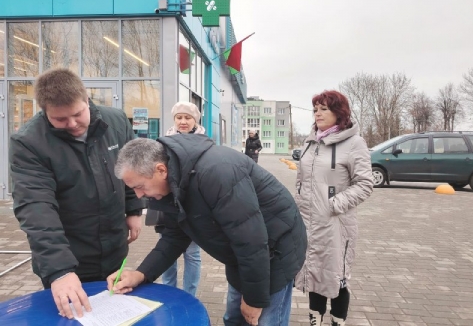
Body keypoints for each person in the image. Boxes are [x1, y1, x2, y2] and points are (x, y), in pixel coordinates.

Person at [107, 135, 308, 326]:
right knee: (235, 318)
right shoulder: (169, 185)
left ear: (161, 170)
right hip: (244, 254)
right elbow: (174, 237)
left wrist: (255, 299)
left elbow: (251, 242)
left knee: (261, 319)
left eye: (140, 186)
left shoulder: (217, 172)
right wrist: (141, 274)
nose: (139, 195)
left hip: (276, 251)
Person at [9, 68, 146, 320]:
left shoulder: (115, 122)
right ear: (44, 111)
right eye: (60, 120)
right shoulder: (28, 143)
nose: (72, 124)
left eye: (77, 114)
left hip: (114, 248)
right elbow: (36, 207)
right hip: (69, 254)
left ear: (87, 100)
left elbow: (131, 169)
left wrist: (134, 208)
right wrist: (60, 270)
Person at [294, 90, 373, 326]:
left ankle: (338, 321)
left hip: (336, 223)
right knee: (314, 272)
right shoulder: (311, 141)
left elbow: (365, 183)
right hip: (308, 221)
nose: (317, 113)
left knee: (337, 277)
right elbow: (302, 180)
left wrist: (334, 204)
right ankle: (314, 321)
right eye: (315, 109)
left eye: (324, 109)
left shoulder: (354, 143)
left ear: (339, 112)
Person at [145, 101, 204, 296]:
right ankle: (168, 291)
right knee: (167, 246)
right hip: (168, 203)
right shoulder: (163, 141)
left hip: (193, 203)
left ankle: (189, 294)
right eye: (179, 117)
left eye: (187, 117)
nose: (183, 121)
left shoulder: (203, 142)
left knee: (192, 253)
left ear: (195, 120)